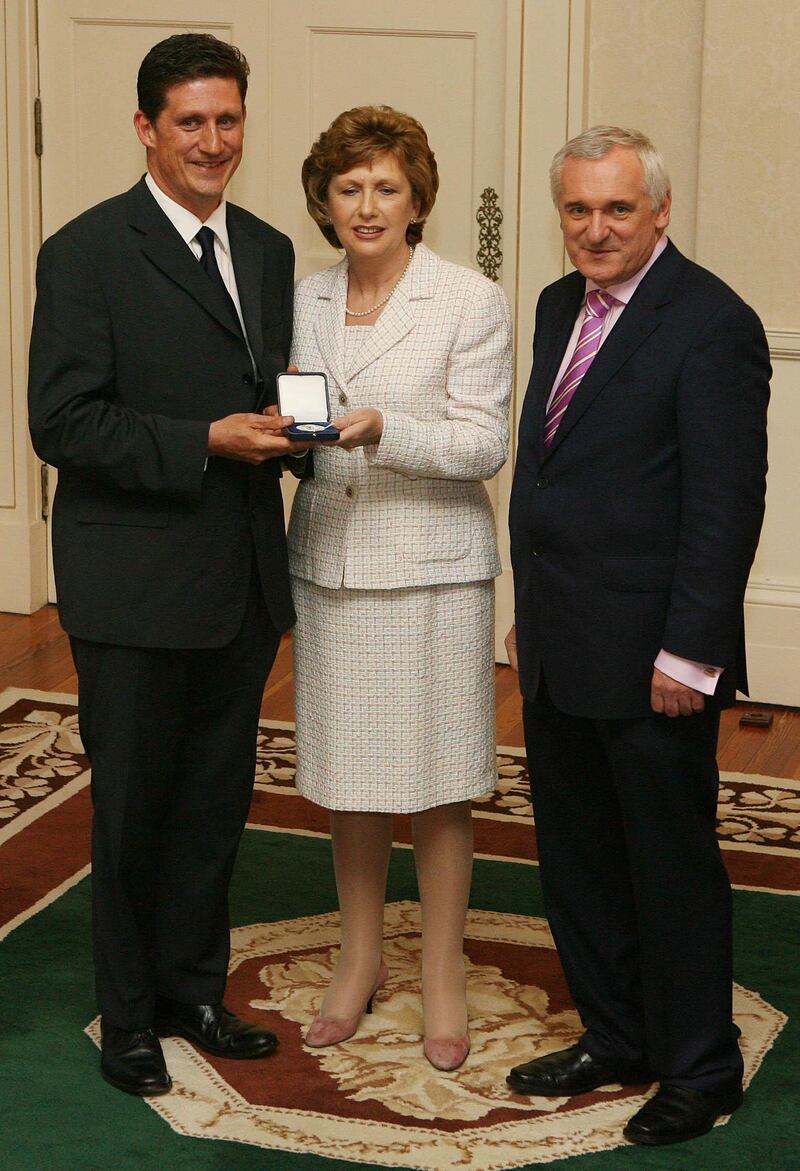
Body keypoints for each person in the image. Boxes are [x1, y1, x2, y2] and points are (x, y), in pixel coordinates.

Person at [27, 33, 306, 1097]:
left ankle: (195, 990)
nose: (212, 141)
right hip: (134, 587)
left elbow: (276, 385)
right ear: (146, 127)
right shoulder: (85, 250)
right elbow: (65, 421)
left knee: (211, 802)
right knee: (135, 807)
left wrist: (300, 434)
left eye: (227, 119)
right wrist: (204, 441)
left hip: (239, 580)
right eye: (189, 121)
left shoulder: (272, 247)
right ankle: (131, 1015)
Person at [505, 126, 770, 1145]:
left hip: (656, 653)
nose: (594, 228)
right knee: (574, 855)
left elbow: (722, 504)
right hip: (563, 639)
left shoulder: (710, 324)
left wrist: (689, 651)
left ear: (659, 211)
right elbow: (550, 469)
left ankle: (700, 1067)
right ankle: (612, 1035)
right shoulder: (554, 304)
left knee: (665, 865)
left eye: (616, 208)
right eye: (577, 208)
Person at [288, 106, 512, 1071]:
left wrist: (383, 427)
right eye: (349, 189)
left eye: (386, 186)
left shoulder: (469, 299)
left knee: (437, 779)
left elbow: (483, 443)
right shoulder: (303, 297)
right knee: (347, 777)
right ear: (325, 203)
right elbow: (304, 419)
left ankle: (444, 976)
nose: (368, 205)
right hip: (333, 557)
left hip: (431, 569)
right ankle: (358, 958)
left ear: (417, 198)